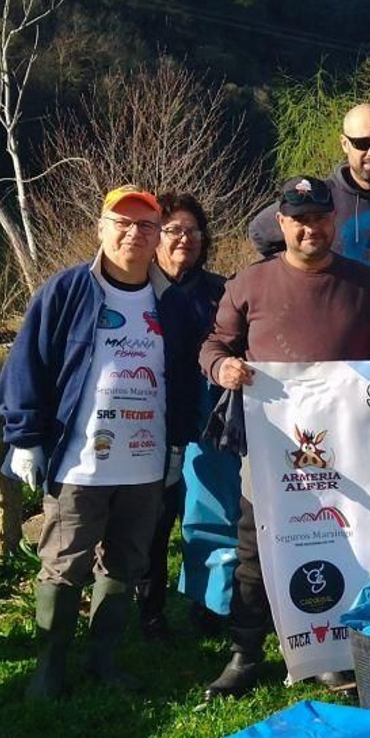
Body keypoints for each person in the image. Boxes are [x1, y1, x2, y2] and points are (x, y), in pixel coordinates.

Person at [200, 175, 370, 698]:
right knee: (255, 548)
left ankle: (334, 650)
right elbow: (214, 345)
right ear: (282, 223)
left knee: (346, 543)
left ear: (334, 220)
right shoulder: (248, 284)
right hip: (271, 450)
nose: (310, 228)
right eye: (299, 219)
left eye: (319, 217)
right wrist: (222, 368)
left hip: (350, 451)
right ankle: (245, 653)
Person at [0, 186, 196, 699]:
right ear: (101, 228)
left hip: (144, 463)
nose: (133, 234)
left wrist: (176, 446)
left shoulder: (171, 303)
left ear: (158, 238)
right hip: (80, 463)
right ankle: (50, 666)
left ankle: (103, 660)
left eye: (146, 227)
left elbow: (184, 381)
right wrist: (25, 438)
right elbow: (26, 367)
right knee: (64, 562)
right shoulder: (65, 292)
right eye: (122, 223)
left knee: (127, 563)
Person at [137, 192, 233, 639]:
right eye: (174, 230)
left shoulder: (219, 292)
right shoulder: (134, 291)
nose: (184, 240)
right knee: (150, 523)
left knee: (207, 517)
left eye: (193, 231)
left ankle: (208, 604)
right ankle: (148, 609)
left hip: (202, 425)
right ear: (156, 237)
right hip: (144, 426)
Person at [247, 103, 370, 301]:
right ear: (344, 143)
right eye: (362, 144)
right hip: (332, 326)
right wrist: (298, 278)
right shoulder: (320, 199)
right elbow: (260, 232)